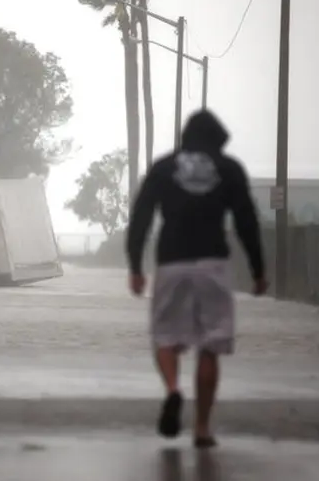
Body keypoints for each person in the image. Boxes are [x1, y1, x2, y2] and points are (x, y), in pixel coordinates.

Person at [125, 109, 268, 448]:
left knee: (165, 337)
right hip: (213, 263)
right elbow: (246, 220)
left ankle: (173, 390)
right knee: (210, 346)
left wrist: (135, 266)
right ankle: (202, 428)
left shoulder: (163, 167)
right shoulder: (229, 169)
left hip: (172, 261)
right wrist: (259, 270)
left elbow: (141, 217)